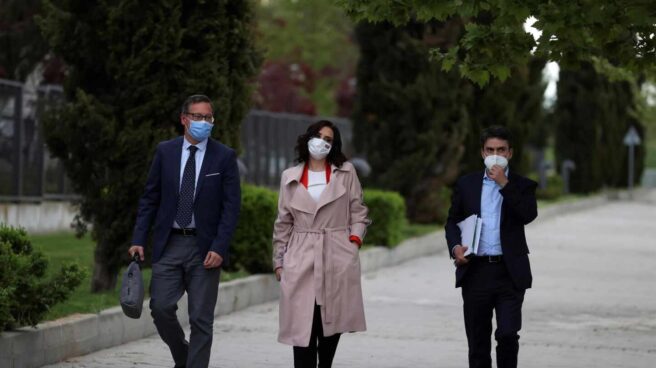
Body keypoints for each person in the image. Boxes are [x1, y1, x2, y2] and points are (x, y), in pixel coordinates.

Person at [129, 94, 240, 368]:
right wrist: (139, 239)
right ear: (184, 119)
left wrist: (219, 247)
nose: (204, 122)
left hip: (205, 248)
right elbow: (150, 198)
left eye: (208, 117)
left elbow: (231, 207)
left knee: (201, 318)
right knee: (161, 307)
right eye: (198, 117)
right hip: (169, 244)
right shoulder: (165, 152)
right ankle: (183, 356)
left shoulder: (224, 156)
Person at [272, 120, 371, 368]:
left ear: (333, 145)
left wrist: (353, 242)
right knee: (302, 325)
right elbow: (283, 222)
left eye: (328, 139)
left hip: (337, 252)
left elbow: (358, 212)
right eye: (318, 135)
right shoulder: (290, 176)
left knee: (330, 323)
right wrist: (279, 262)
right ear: (307, 138)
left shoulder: (346, 172)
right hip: (300, 253)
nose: (321, 142)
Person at [445, 126, 538, 368]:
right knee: (478, 344)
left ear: (510, 153)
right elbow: (452, 221)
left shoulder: (523, 185)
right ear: (482, 153)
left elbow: (528, 214)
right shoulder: (467, 184)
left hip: (509, 273)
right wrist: (455, 246)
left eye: (500, 150)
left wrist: (505, 184)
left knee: (507, 335)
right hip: (476, 272)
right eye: (490, 150)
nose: (494, 154)